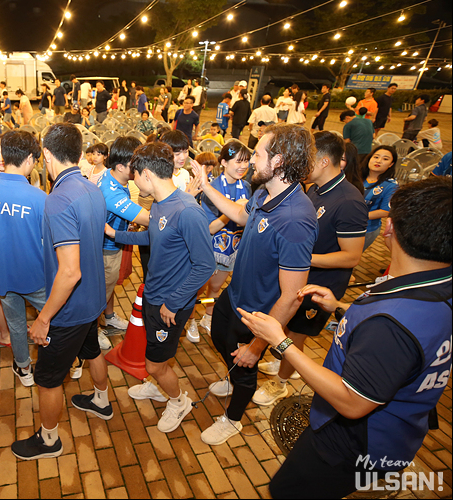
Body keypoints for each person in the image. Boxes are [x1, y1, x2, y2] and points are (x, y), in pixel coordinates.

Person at [242, 176, 452, 499]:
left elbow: (352, 402)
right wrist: (340, 308)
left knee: (285, 491)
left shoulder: (392, 324)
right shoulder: (434, 287)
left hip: (350, 443)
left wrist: (279, 340)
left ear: (390, 228)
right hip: (396, 433)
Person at [192, 123, 318, 445]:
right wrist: (205, 186)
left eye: (258, 154)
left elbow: (291, 296)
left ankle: (233, 419)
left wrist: (257, 346)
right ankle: (233, 376)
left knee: (245, 366)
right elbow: (240, 215)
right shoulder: (264, 191)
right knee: (219, 337)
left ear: (278, 161)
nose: (250, 161)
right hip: (234, 295)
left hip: (257, 315)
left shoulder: (295, 219)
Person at [11, 123, 112, 460]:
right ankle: (101, 401)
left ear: (48, 155)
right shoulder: (92, 188)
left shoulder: (58, 200)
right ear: (80, 154)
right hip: (94, 298)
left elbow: (69, 272)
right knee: (92, 350)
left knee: (47, 378)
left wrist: (43, 319)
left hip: (70, 309)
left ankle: (49, 439)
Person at [108, 141, 214, 432]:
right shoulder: (160, 203)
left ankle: (179, 401)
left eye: (134, 175)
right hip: (155, 297)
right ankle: (158, 385)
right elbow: (153, 237)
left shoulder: (187, 211)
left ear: (146, 174)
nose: (133, 181)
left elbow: (205, 266)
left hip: (170, 304)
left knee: (155, 364)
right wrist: (115, 234)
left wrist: (173, 303)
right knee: (154, 353)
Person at [254, 132, 368, 405]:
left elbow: (351, 257)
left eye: (309, 157)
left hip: (321, 285)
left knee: (296, 333)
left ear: (325, 161)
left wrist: (300, 259)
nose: (302, 162)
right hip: (301, 277)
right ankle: (283, 363)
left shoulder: (349, 201)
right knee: (287, 326)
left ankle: (281, 383)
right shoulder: (315, 188)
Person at [0, 131, 46, 382]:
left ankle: (23, 367)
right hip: (35, 275)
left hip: (2, 274)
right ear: (29, 159)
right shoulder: (39, 198)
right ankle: (51, 362)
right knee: (50, 319)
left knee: (15, 324)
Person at [93, 137, 150, 357]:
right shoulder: (112, 193)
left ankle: (108, 317)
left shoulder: (112, 177)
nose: (140, 169)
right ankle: (93, 329)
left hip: (110, 244)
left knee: (108, 286)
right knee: (101, 290)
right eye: (135, 165)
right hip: (106, 249)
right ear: (120, 166)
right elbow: (150, 219)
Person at [197, 142, 251, 340]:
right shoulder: (212, 188)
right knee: (198, 289)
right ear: (224, 162)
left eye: (246, 161)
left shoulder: (246, 187)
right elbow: (209, 229)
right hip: (210, 248)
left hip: (232, 248)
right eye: (238, 161)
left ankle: (207, 317)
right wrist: (234, 211)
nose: (243, 166)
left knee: (215, 288)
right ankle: (189, 320)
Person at [361, 145, 398, 250]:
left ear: (391, 164)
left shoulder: (391, 185)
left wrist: (357, 216)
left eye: (385, 159)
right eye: (376, 157)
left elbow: (385, 211)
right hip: (341, 223)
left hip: (366, 229)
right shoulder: (356, 176)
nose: (379, 161)